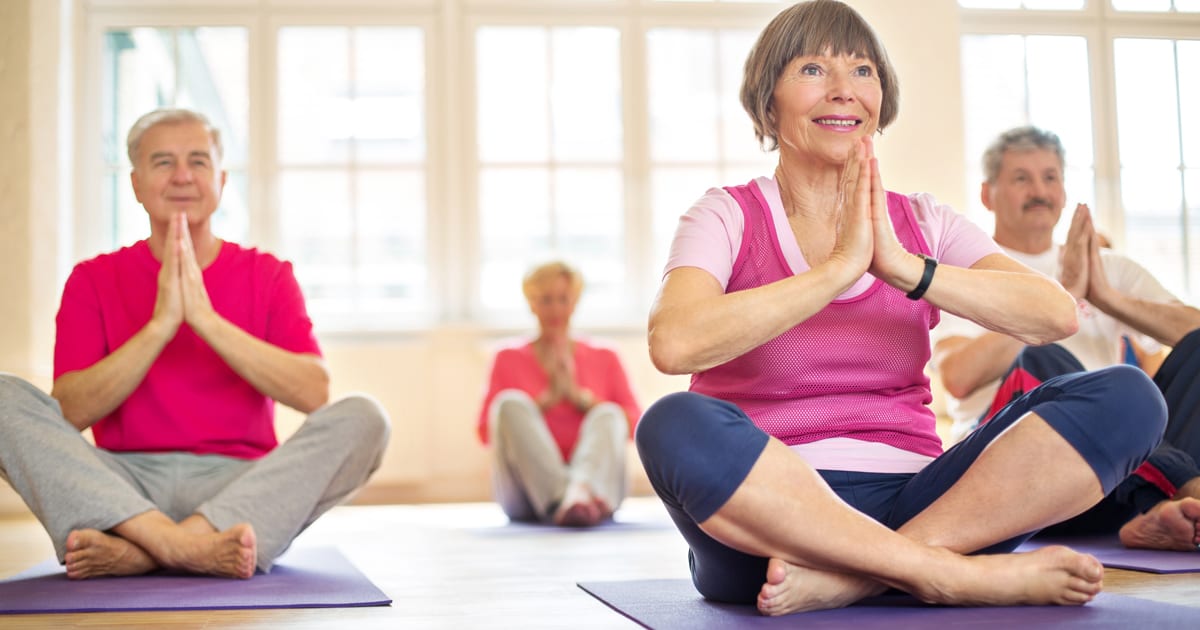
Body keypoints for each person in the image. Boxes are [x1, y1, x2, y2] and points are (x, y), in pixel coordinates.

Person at [634, 0, 1169, 617]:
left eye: (862, 71)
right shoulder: (724, 214)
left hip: (928, 502)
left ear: (881, 99)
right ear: (767, 99)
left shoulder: (921, 221)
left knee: (1128, 398)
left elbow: (1054, 314)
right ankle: (940, 574)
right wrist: (837, 271)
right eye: (813, 70)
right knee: (672, 424)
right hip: (770, 520)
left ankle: (868, 573)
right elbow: (674, 344)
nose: (843, 92)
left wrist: (906, 269)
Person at [0, 108, 391, 580]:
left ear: (222, 181)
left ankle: (143, 550)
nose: (182, 176)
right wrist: (161, 326)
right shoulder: (92, 279)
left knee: (366, 418)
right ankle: (184, 544)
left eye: (198, 162)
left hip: (239, 483)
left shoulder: (268, 275)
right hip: (122, 484)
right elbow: (70, 414)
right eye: (163, 162)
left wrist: (204, 319)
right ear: (136, 184)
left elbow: (314, 394)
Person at [930, 125, 1200, 551]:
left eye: (1050, 177)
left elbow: (1192, 333)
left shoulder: (1105, 266)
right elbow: (957, 377)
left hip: (1120, 474)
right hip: (1029, 473)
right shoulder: (967, 271)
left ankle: (1153, 509)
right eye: (1022, 178)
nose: (1039, 190)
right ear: (988, 194)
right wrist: (1055, 303)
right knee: (1048, 360)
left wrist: (1105, 297)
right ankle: (1184, 487)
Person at [477, 261, 641, 527]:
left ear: (575, 302)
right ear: (531, 303)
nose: (555, 309)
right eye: (545, 300)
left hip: (596, 489)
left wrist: (582, 399)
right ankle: (570, 498)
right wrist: (543, 403)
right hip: (527, 495)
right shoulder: (506, 357)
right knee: (509, 404)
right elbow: (486, 432)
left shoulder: (605, 356)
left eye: (563, 299)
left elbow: (636, 426)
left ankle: (578, 492)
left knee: (609, 413)